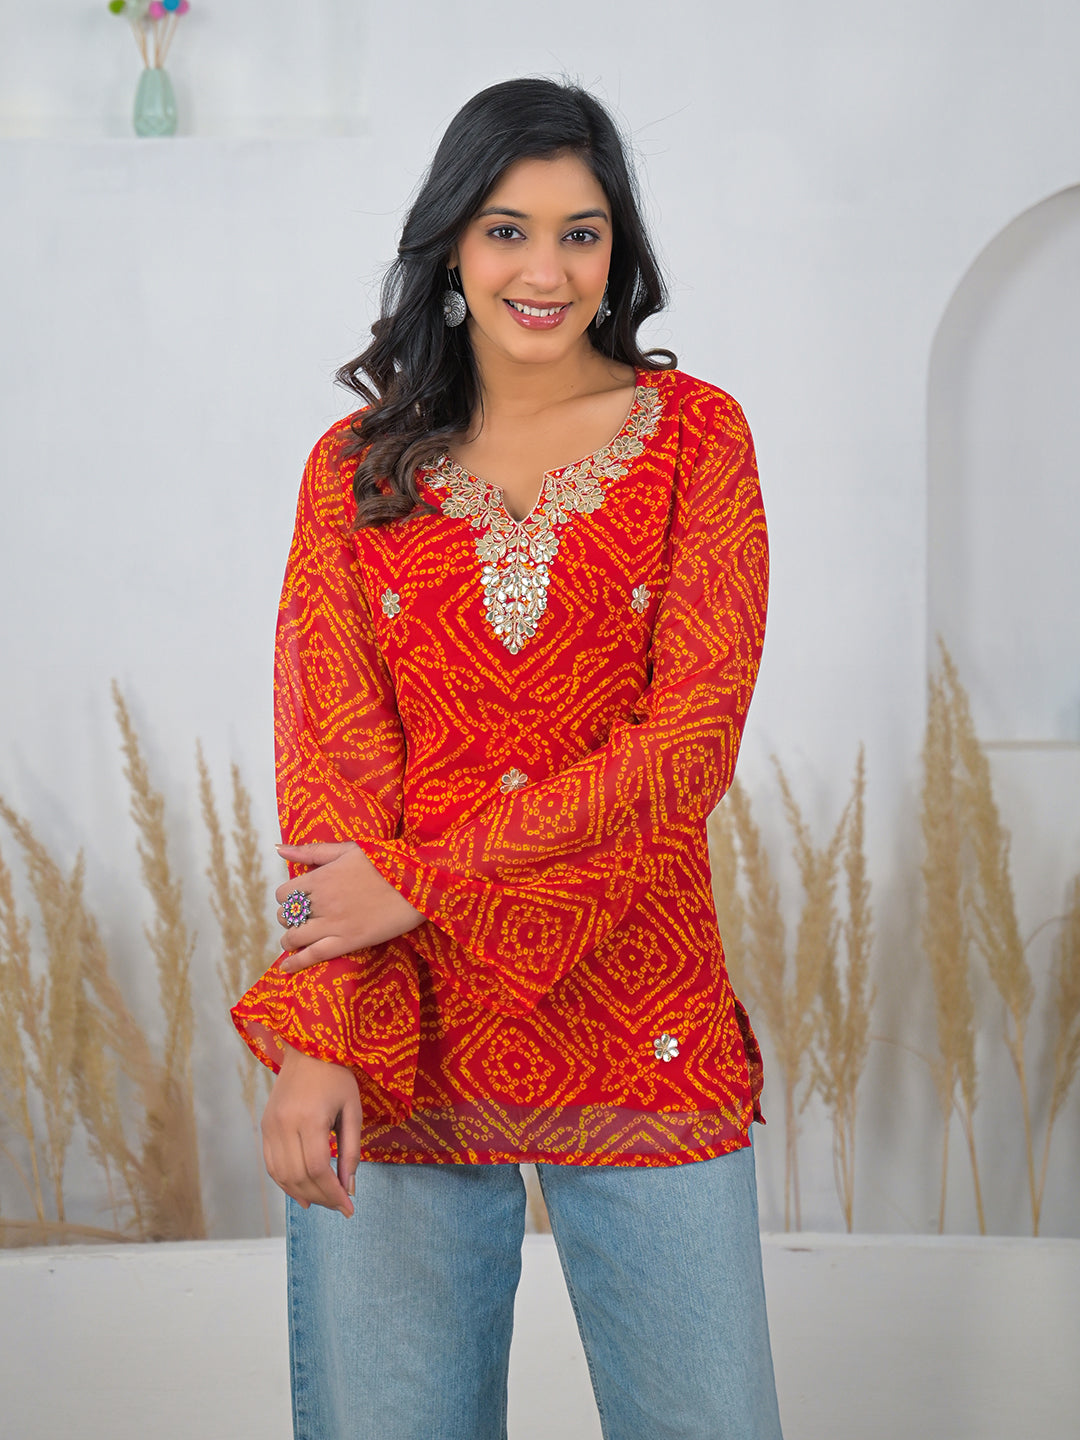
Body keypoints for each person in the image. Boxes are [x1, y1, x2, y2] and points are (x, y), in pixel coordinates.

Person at [231, 76, 783, 1440]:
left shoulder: (696, 439)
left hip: (640, 1006)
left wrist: (420, 879)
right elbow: (329, 776)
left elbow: (688, 748)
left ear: (617, 251)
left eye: (581, 234)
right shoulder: (357, 468)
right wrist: (320, 1034)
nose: (546, 271)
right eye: (507, 231)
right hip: (401, 1029)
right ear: (450, 248)